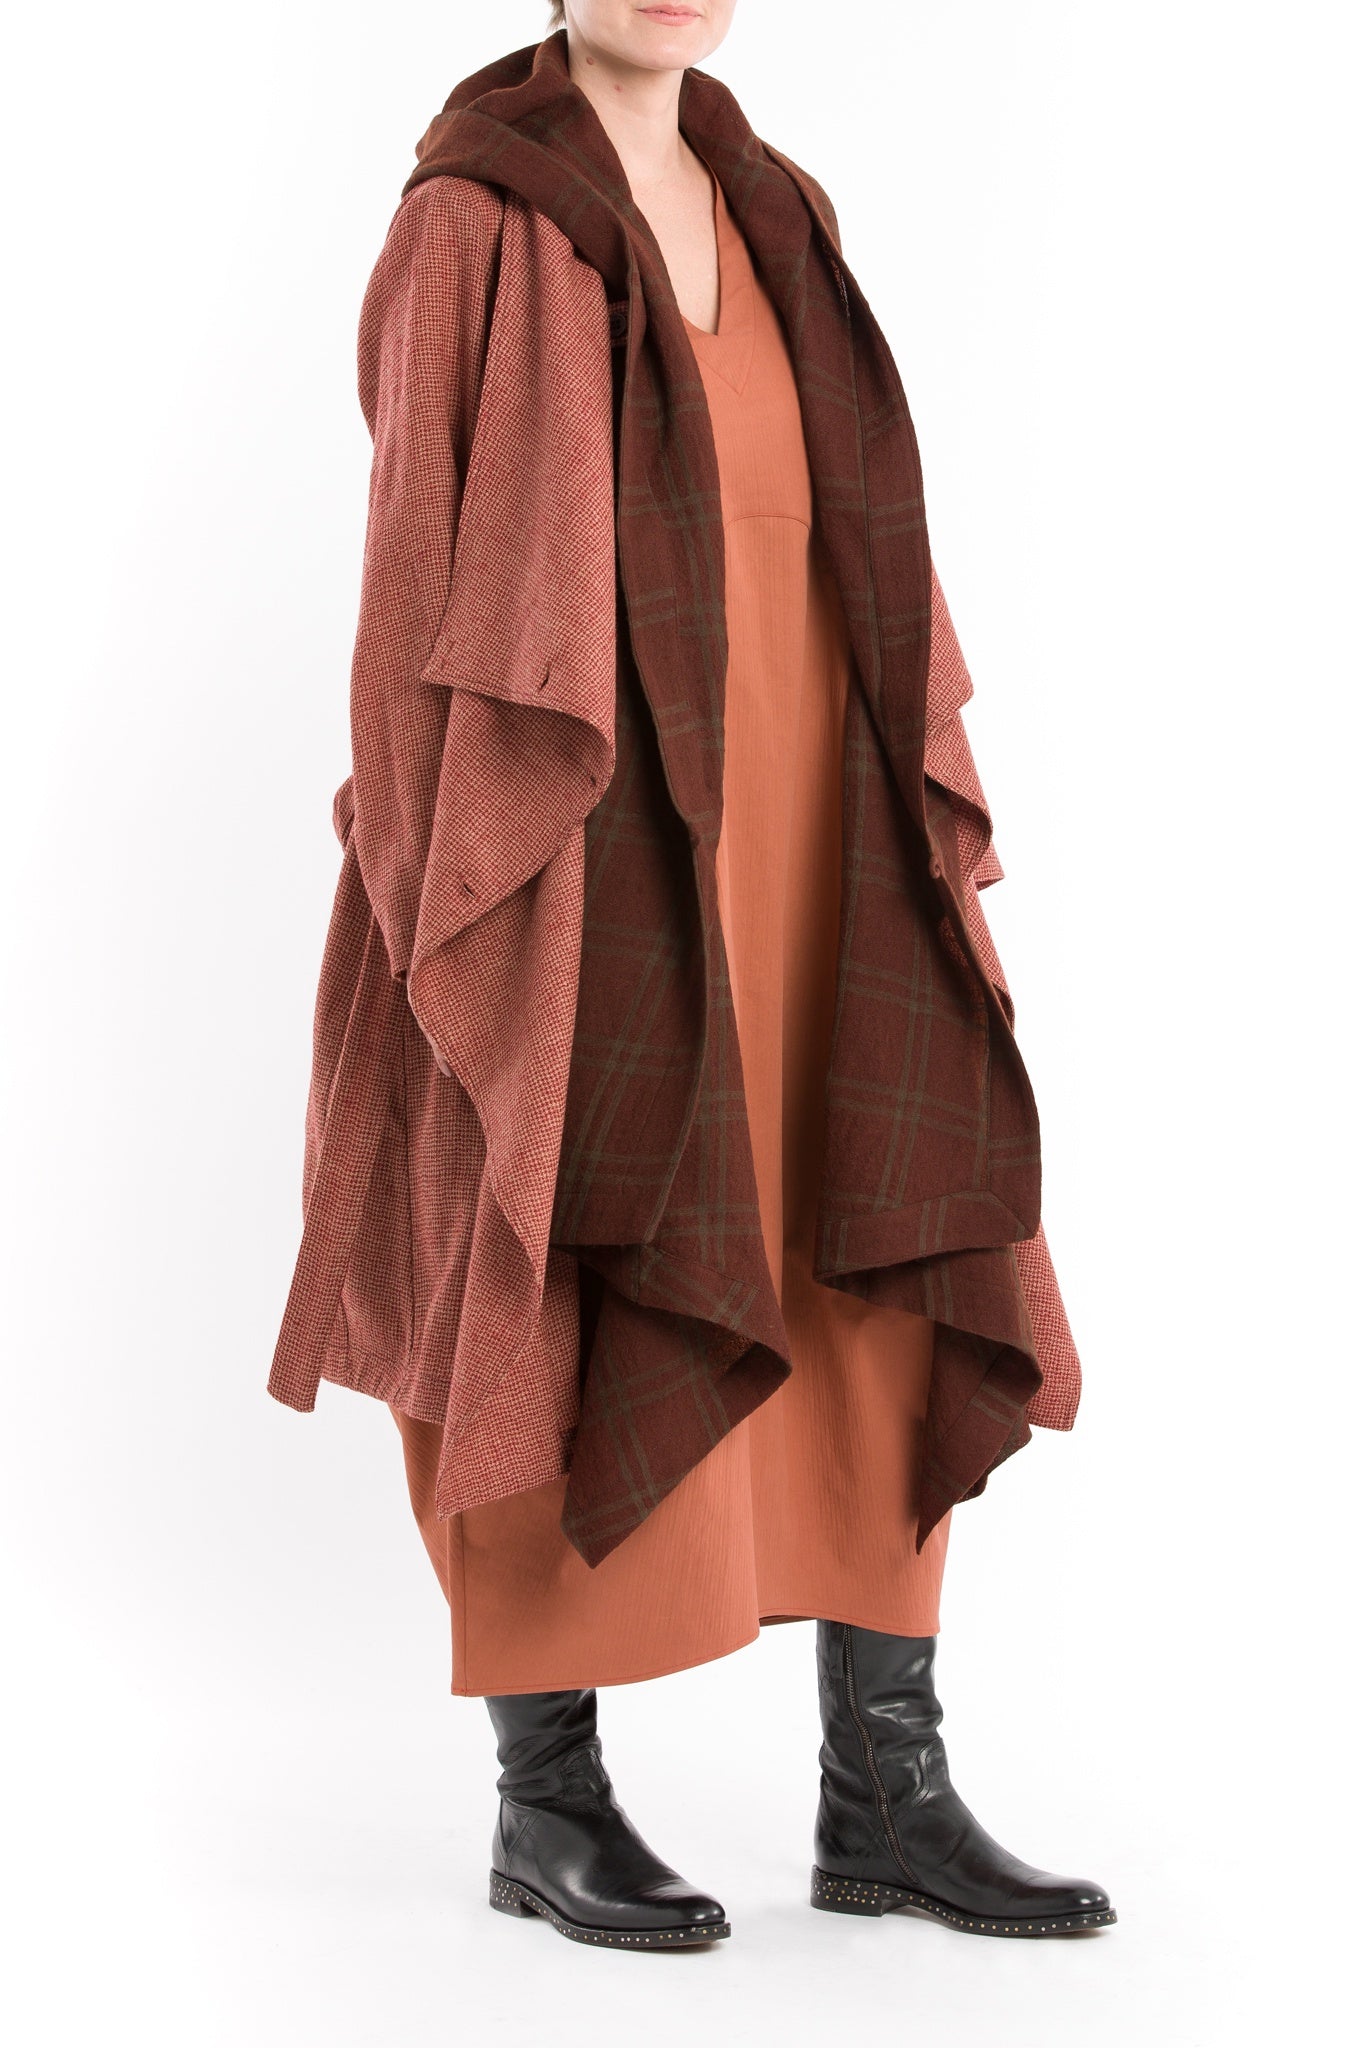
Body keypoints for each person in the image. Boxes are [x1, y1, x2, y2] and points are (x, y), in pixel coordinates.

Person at [269, 1, 1115, 1950]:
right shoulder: (469, 222)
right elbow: (410, 596)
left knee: (888, 1232)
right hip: (592, 849)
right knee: (555, 1255)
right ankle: (546, 1799)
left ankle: (883, 1793)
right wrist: (448, 886)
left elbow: (849, 551)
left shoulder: (779, 209)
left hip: (814, 818)